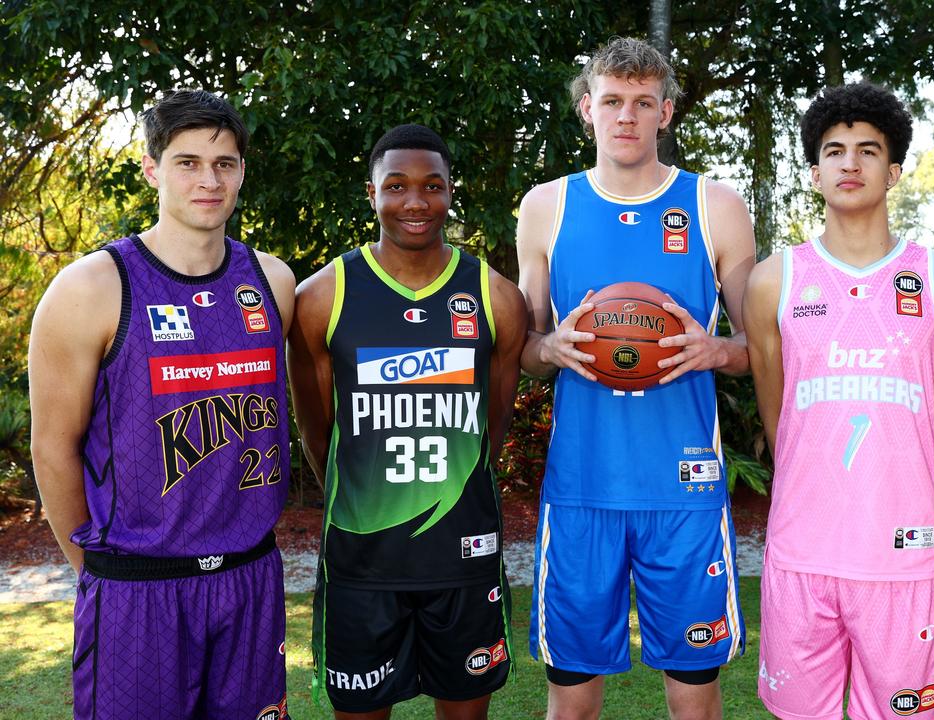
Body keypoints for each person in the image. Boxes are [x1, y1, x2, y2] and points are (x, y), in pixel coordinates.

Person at [28, 89, 295, 719]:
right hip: (137, 587)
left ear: (241, 173)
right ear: (152, 169)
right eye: (187, 162)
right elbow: (52, 447)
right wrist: (95, 567)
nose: (209, 179)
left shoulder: (272, 282)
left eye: (223, 163)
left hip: (249, 578)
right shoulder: (91, 288)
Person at [515, 37, 756, 719]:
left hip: (685, 491)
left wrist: (717, 352)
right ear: (587, 108)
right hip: (582, 488)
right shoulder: (546, 206)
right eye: (613, 101)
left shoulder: (714, 205)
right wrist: (550, 347)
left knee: (693, 699)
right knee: (572, 703)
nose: (627, 115)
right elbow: (526, 348)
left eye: (643, 102)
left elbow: (758, 345)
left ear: (666, 112)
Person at [743, 82, 934, 720]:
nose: (850, 163)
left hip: (900, 557)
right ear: (814, 172)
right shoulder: (774, 279)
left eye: (868, 151)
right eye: (835, 151)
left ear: (893, 170)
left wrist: (897, 508)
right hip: (802, 551)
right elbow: (780, 417)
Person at [288, 123, 527, 719]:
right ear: (371, 194)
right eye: (396, 186)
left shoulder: (495, 296)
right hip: (363, 563)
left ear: (450, 193)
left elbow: (493, 425)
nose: (415, 202)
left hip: (464, 558)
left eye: (432, 186)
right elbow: (318, 432)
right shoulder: (324, 295)